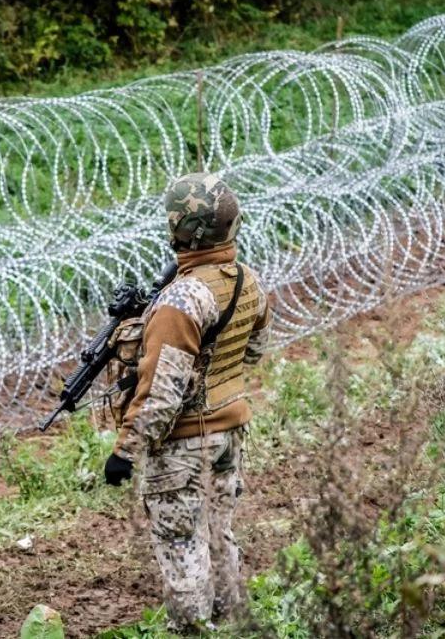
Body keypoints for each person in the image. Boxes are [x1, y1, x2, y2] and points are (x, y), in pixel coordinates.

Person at [103, 171, 271, 631]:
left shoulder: (181, 300)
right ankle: (230, 622)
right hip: (228, 435)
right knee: (219, 534)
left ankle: (193, 631)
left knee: (181, 546)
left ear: (179, 230)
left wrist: (124, 452)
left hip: (183, 446)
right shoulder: (247, 282)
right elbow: (253, 352)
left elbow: (160, 396)